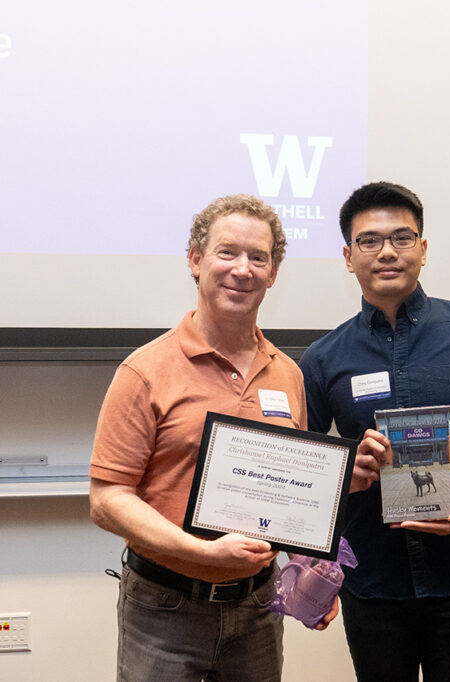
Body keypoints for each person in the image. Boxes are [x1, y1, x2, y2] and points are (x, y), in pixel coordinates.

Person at [299, 181, 450, 682]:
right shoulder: (324, 359)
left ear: (423, 249)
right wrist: (350, 466)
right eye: (369, 241)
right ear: (348, 257)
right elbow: (306, 467)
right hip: (371, 579)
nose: (386, 251)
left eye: (402, 237)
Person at [88, 194, 315, 681]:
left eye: (259, 257)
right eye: (227, 252)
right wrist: (204, 553)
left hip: (258, 608)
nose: (243, 269)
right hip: (166, 609)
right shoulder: (145, 371)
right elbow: (107, 500)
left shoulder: (288, 375)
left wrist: (308, 566)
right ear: (196, 260)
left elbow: (291, 494)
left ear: (273, 273)